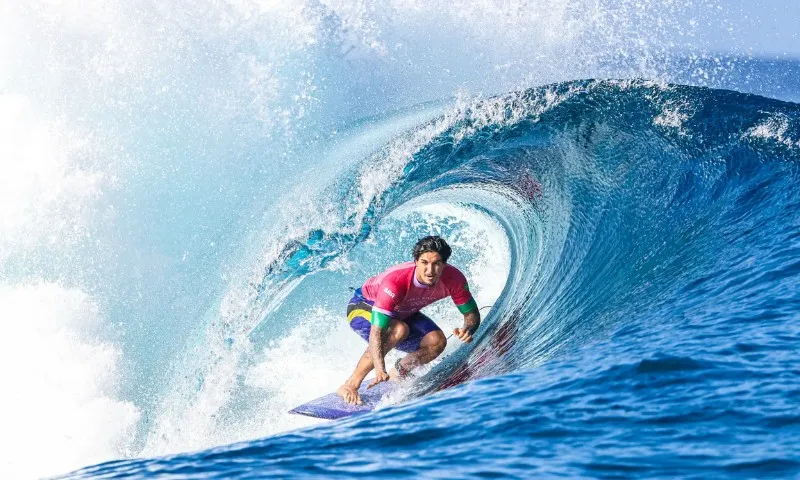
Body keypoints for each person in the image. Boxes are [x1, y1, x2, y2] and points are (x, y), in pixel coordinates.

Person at [337, 235, 481, 405]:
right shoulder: (396, 281)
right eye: (424, 262)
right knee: (399, 329)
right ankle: (350, 384)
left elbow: (471, 314)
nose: (430, 270)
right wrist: (379, 368)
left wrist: (467, 329)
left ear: (444, 264)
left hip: (402, 313)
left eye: (436, 263)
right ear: (416, 261)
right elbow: (377, 331)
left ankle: (400, 371)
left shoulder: (454, 279)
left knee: (437, 341)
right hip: (362, 306)